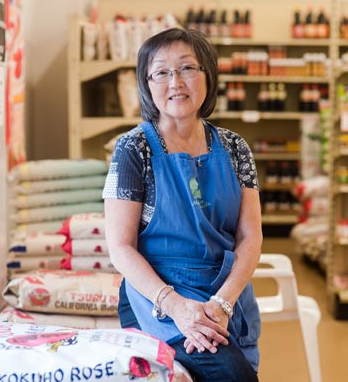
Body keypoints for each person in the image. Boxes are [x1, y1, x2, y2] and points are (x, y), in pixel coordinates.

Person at [103, 27, 262, 382]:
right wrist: (176, 307)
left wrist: (223, 302)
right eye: (161, 72)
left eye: (187, 68)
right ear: (147, 83)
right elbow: (120, 247)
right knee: (232, 376)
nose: (175, 82)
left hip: (225, 291)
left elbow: (251, 238)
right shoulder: (134, 149)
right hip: (158, 296)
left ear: (208, 74)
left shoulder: (236, 148)